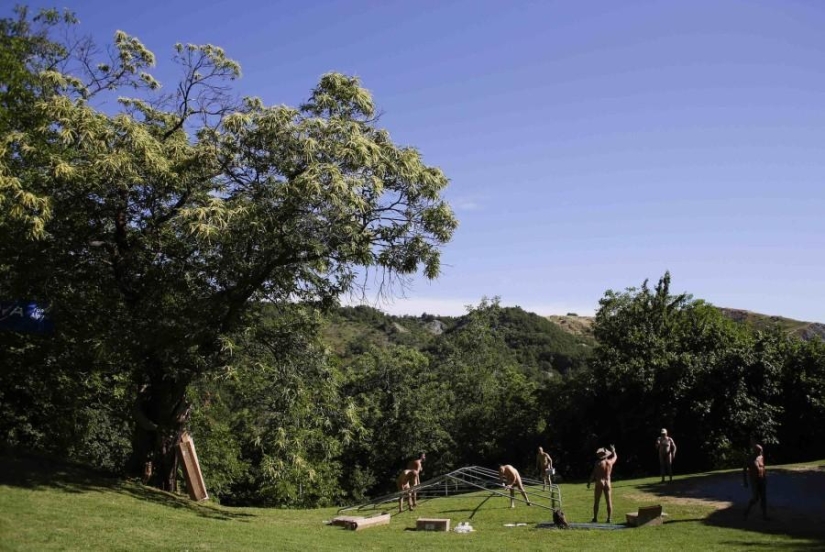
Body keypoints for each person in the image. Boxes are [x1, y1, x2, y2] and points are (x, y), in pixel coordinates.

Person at [587, 444, 617, 523]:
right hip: (608, 482)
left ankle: (595, 518)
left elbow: (593, 474)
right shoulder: (610, 462)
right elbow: (615, 457)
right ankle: (609, 518)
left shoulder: (598, 463)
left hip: (599, 482)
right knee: (609, 501)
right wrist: (613, 451)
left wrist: (589, 482)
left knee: (596, 501)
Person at [743, 443, 768, 520]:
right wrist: (745, 481)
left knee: (763, 498)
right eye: (759, 451)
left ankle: (764, 516)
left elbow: (763, 468)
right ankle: (747, 511)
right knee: (755, 498)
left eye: (761, 451)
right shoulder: (749, 458)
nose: (761, 452)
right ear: (755, 451)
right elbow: (744, 470)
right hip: (754, 481)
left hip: (762, 480)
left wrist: (765, 477)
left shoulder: (761, 457)